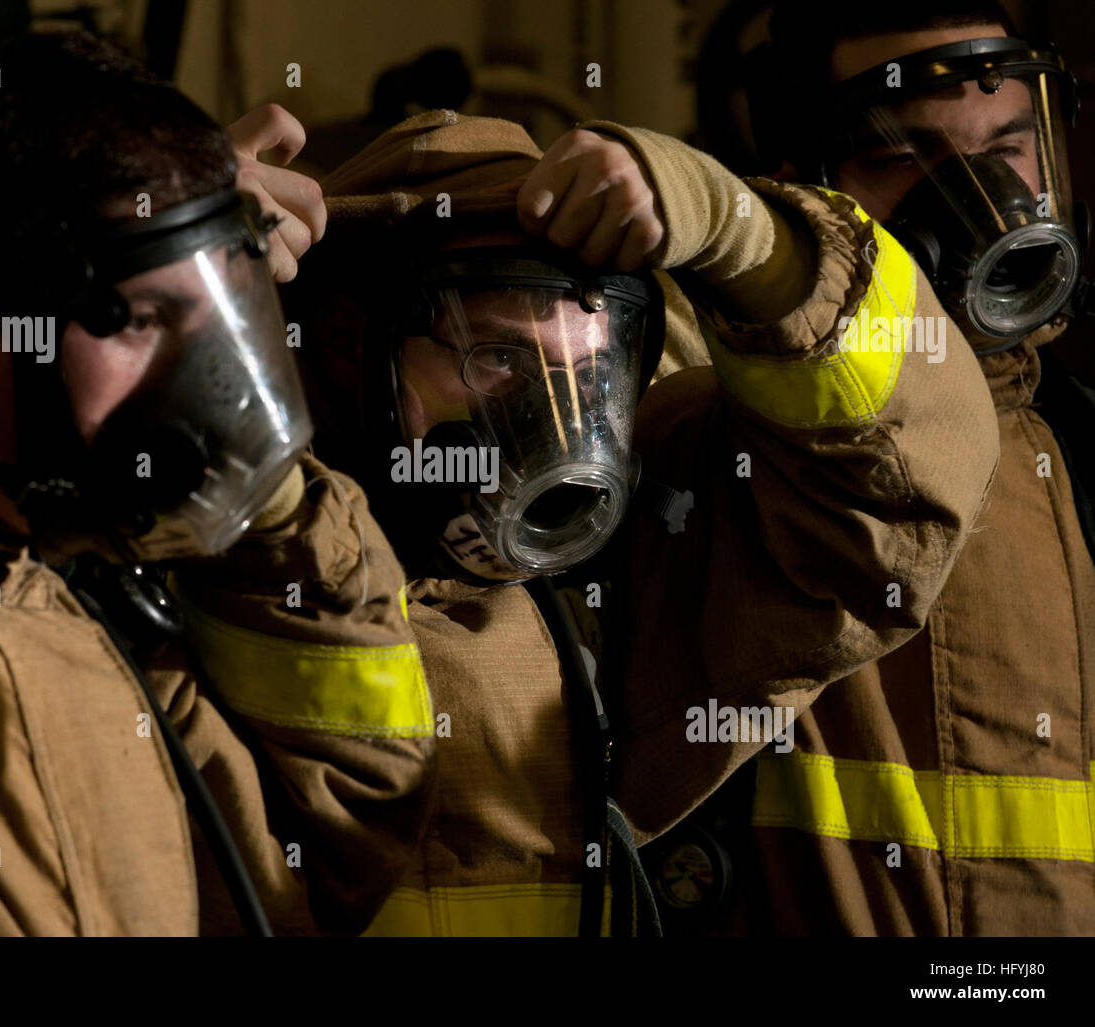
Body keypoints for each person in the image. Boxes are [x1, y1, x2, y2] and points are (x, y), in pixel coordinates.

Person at [285, 107, 999, 935]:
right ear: (346, 348)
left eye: (588, 370)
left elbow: (895, 489)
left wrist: (749, 240)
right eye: (499, 359)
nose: (553, 429)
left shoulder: (627, 582)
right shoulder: (241, 565)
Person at [0, 29, 434, 937]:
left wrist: (269, 509)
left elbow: (337, 844)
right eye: (141, 318)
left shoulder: (101, 613)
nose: (207, 388)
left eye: (221, 321)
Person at [649, 0, 1095, 936]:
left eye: (1006, 150)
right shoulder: (732, 457)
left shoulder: (1082, 450)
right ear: (803, 196)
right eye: (904, 160)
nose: (984, 203)